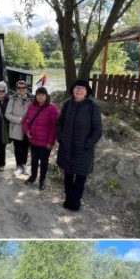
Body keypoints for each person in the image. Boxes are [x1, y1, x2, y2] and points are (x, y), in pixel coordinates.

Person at [56, 79, 104, 211]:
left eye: (82, 88)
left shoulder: (92, 107)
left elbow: (97, 129)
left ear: (86, 91)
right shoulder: (67, 104)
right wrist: (61, 138)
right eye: (77, 87)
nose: (79, 90)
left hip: (83, 149)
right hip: (66, 147)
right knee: (68, 175)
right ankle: (68, 198)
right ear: (72, 90)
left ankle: (75, 201)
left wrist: (87, 144)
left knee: (81, 176)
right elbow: (59, 123)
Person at [23, 87, 60, 190]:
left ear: (46, 96)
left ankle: (42, 180)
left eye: (43, 94)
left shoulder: (52, 108)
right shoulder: (31, 106)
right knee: (34, 161)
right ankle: (33, 177)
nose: (40, 96)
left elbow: (54, 127)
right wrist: (27, 131)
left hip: (45, 143)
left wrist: (51, 142)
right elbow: (25, 121)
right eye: (38, 94)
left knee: (44, 162)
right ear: (36, 95)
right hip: (33, 140)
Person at [5, 81, 32, 176]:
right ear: (16, 89)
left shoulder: (31, 99)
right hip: (16, 127)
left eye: (23, 87)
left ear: (27, 89)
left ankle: (24, 165)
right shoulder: (12, 100)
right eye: (19, 88)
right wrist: (19, 120)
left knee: (26, 148)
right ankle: (18, 166)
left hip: (28, 128)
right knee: (17, 148)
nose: (21, 90)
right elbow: (7, 114)